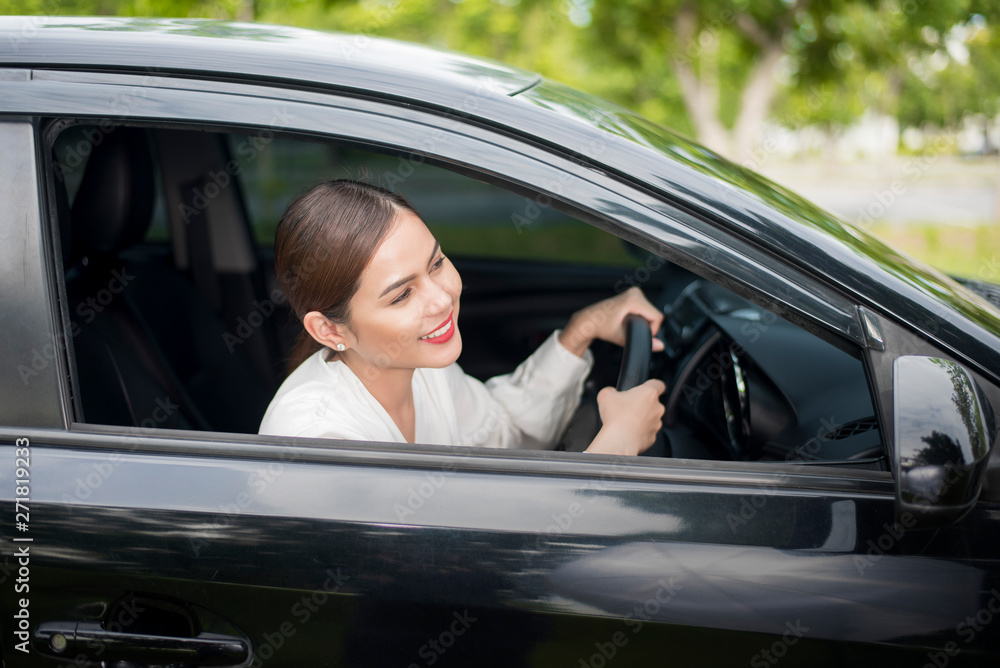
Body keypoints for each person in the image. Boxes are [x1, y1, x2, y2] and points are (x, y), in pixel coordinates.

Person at [258, 179, 666, 455]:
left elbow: (504, 433)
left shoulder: (417, 366)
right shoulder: (316, 441)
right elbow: (429, 572)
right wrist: (616, 445)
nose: (441, 300)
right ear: (328, 329)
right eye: (402, 295)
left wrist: (582, 331)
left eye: (436, 264)